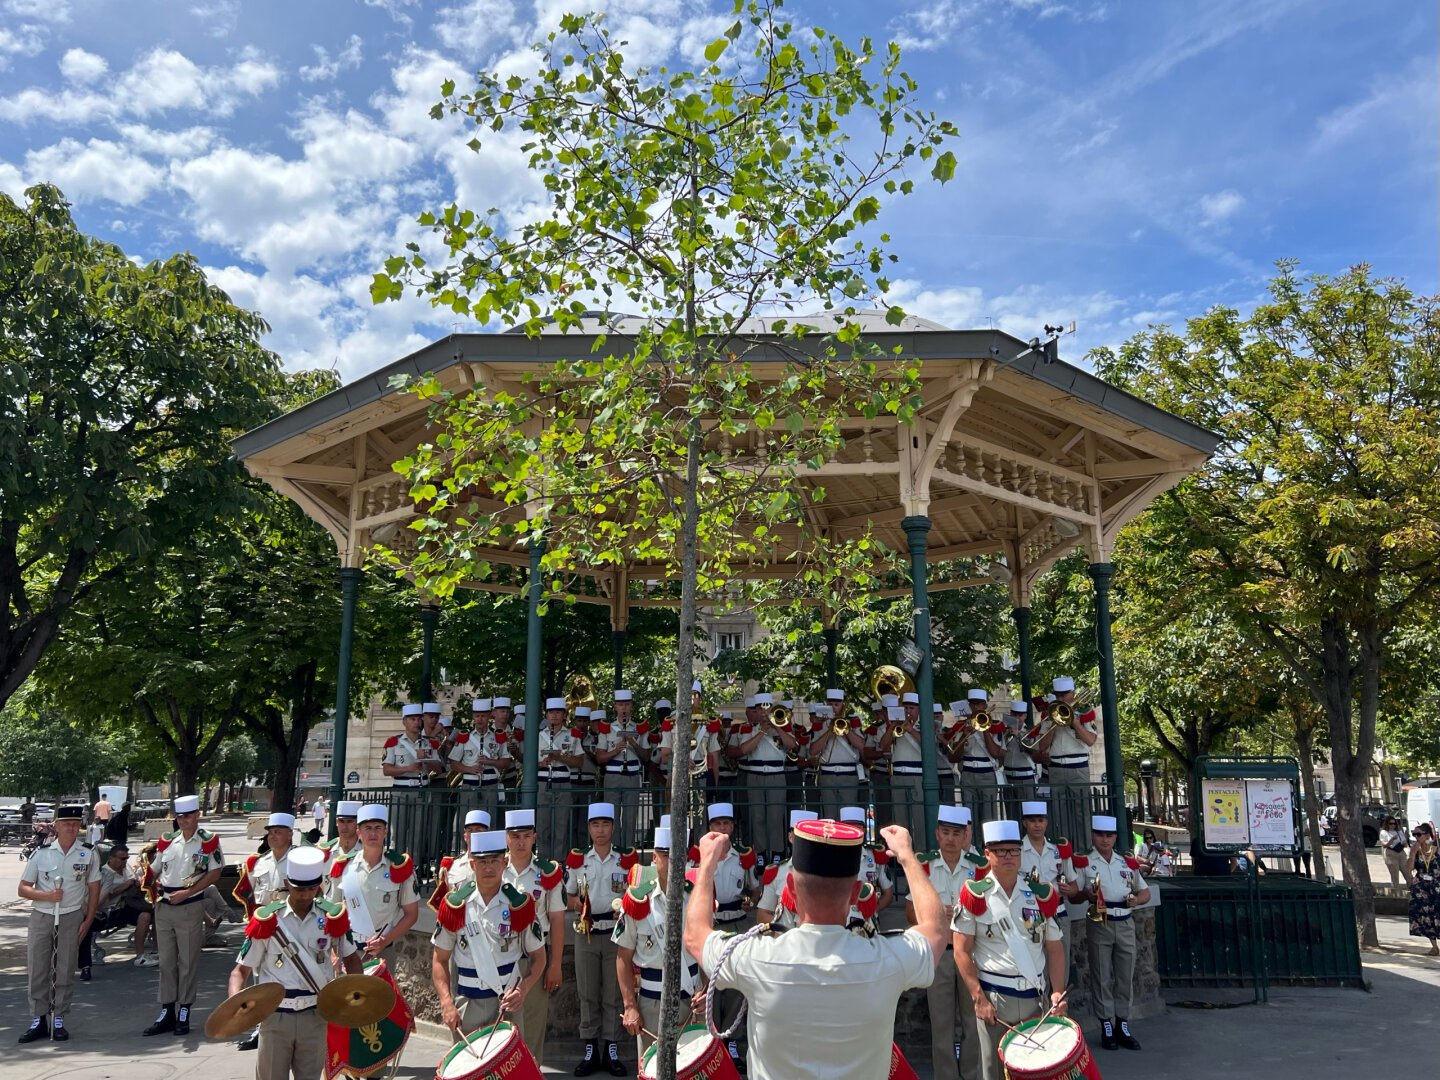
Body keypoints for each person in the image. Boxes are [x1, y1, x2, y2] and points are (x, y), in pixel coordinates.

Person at [687, 820, 946, 1080]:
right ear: (857, 893)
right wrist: (907, 857)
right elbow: (936, 929)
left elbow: (695, 935)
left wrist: (707, 864)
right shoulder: (887, 960)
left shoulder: (758, 957)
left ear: (789, 889)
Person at [227, 846, 362, 1080]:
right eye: (300, 888)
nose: (306, 894)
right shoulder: (267, 921)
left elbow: (351, 958)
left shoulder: (331, 918)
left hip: (315, 1014)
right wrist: (235, 1004)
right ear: (287, 882)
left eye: (312, 887)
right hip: (276, 1016)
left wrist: (356, 993)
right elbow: (240, 970)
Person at [952, 820, 1068, 1080]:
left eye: (1014, 850)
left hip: (1034, 998)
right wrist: (978, 998)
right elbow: (960, 951)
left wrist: (1058, 990)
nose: (1008, 857)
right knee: (993, 1070)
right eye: (1000, 851)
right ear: (987, 854)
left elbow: (1055, 947)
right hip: (995, 999)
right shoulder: (975, 895)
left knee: (1035, 1069)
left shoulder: (1039, 894)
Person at [431, 830, 547, 1037]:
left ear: (505, 863)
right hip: (468, 1003)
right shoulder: (455, 906)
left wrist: (524, 989)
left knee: (508, 1068)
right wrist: (446, 1002)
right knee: (469, 1067)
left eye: (494, 861)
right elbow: (440, 959)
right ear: (473, 864)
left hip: (508, 1005)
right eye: (482, 862)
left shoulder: (519, 906)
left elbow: (539, 957)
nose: (489, 868)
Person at [907, 804, 984, 1080]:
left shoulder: (979, 868)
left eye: (956, 833)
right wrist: (936, 912)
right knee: (941, 1023)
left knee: (972, 1021)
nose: (951, 838)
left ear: (965, 836)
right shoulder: (924, 865)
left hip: (971, 953)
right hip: (940, 953)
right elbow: (909, 910)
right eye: (946, 832)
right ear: (937, 834)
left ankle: (972, 1074)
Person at [140, 794, 224, 1037]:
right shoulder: (168, 841)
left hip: (190, 906)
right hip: (165, 906)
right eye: (180, 816)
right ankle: (167, 1010)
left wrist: (188, 892)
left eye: (188, 816)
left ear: (198, 815)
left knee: (187, 962)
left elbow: (214, 873)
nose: (184, 820)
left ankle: (184, 1009)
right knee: (166, 963)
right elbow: (155, 869)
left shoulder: (208, 842)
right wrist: (145, 877)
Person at [615, 825, 701, 1055]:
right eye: (666, 855)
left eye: (679, 856)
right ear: (654, 857)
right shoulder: (637, 900)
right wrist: (630, 1006)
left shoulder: (697, 897)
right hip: (652, 1001)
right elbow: (623, 958)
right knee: (653, 1069)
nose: (673, 861)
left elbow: (708, 952)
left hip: (693, 999)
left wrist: (707, 994)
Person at [1067, 813, 1150, 1051]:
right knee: (1101, 974)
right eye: (1100, 835)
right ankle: (1105, 1023)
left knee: (1125, 974)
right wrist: (1087, 895)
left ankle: (1122, 1022)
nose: (1105, 840)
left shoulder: (1126, 862)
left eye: (1109, 835)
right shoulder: (1084, 862)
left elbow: (1144, 891)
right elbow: (1074, 897)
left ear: (1115, 837)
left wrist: (1136, 900)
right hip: (1099, 918)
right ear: (1093, 835)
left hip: (1124, 919)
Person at [17, 805, 99, 1043]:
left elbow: (94, 887)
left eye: (75, 824)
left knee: (64, 968)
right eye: (66, 824)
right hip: (42, 914)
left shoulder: (87, 852)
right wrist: (46, 896)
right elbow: (23, 888)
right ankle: (38, 1018)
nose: (71, 828)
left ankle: (59, 1017)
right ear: (56, 826)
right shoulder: (42, 853)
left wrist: (89, 918)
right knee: (38, 968)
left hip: (71, 914)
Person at [565, 802, 634, 1076]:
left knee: (614, 995)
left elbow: (636, 893)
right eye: (596, 825)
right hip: (587, 932)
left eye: (606, 825)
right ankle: (591, 1048)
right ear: (589, 829)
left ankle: (612, 1049)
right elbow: (568, 896)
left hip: (617, 934)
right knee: (587, 992)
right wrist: (581, 905)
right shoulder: (578, 860)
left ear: (613, 828)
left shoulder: (626, 860)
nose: (601, 830)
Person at [691, 802, 758, 1070]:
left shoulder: (743, 856)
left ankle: (731, 1039)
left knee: (736, 986)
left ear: (732, 827)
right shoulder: (699, 856)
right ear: (709, 828)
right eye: (717, 825)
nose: (722, 829)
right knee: (709, 985)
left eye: (726, 824)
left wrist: (750, 902)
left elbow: (755, 889)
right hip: (711, 925)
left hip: (737, 924)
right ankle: (711, 1039)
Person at [502, 807, 566, 1065]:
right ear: (506, 837)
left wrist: (555, 965)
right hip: (500, 956)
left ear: (534, 837)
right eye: (515, 836)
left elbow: (557, 921)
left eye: (526, 836)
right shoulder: (495, 867)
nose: (520, 842)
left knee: (531, 1028)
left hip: (534, 959)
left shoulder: (547, 873)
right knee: (499, 1030)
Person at [233, 812, 298, 1051]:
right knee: (261, 977)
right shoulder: (260, 863)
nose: (272, 836)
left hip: (290, 927)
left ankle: (289, 1025)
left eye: (278, 831)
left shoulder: (300, 860)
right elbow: (254, 896)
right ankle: (261, 1028)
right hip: (264, 928)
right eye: (270, 832)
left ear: (290, 834)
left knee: (290, 976)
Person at [325, 804, 418, 959]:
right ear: (359, 832)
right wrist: (333, 950)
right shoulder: (343, 866)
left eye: (378, 828)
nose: (373, 833)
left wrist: (385, 940)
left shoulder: (399, 867)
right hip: (347, 950)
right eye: (367, 828)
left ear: (385, 832)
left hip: (383, 950)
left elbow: (412, 914)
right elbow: (332, 912)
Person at [755, 810, 819, 930]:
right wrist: (788, 931)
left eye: (809, 834)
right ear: (790, 836)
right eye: (799, 834)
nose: (804, 839)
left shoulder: (826, 874)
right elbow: (762, 915)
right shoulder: (777, 872)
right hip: (785, 942)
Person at [596, 690, 646, 847]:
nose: (623, 708)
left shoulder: (639, 728)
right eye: (620, 704)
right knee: (612, 818)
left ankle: (628, 852)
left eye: (626, 704)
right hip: (613, 776)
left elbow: (646, 757)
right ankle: (614, 851)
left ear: (631, 706)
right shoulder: (607, 728)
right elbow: (599, 758)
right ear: (615, 707)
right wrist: (616, 750)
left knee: (630, 818)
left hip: (632, 776)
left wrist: (633, 742)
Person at [808, 688, 865, 820]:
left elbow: (861, 745)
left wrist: (846, 730)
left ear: (843, 705)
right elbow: (813, 751)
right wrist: (829, 731)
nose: (833, 708)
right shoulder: (820, 725)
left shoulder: (852, 722)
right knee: (830, 817)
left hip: (848, 774)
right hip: (827, 775)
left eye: (837, 704)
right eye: (830, 704)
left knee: (849, 816)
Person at [880, 692, 926, 840]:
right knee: (900, 822)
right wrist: (893, 726)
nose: (908, 711)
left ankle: (920, 857)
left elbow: (929, 746)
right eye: (905, 708)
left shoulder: (924, 725)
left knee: (920, 820)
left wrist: (911, 730)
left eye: (911, 708)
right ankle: (902, 857)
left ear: (918, 710)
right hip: (898, 775)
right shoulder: (896, 726)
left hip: (917, 775)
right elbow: (882, 745)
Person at [429, 809, 492, 910]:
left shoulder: (498, 865)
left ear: (487, 835)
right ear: (465, 836)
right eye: (470, 830)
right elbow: (445, 905)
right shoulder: (451, 866)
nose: (474, 834)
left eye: (479, 831)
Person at [1408, 822, 1439, 956]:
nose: (1416, 837)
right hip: (1421, 888)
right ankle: (1434, 946)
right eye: (1414, 834)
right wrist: (1413, 853)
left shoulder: (1436, 849)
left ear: (1427, 835)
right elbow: (1409, 868)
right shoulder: (1415, 850)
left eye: (1418, 834)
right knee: (1425, 916)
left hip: (1436, 886)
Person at [382, 704, 430, 789]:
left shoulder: (428, 742)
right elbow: (386, 770)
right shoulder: (393, 742)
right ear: (404, 722)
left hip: (423, 788)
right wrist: (408, 768)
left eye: (419, 719)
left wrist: (427, 758)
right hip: (402, 788)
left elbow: (438, 770)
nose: (416, 722)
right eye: (412, 719)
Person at [1381, 817, 1412, 886]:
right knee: (1394, 873)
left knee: (1406, 870)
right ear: (1387, 824)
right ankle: (1396, 889)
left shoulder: (1399, 832)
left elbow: (1405, 843)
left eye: (1394, 823)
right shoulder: (1384, 832)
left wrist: (1405, 844)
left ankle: (1411, 886)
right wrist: (1391, 840)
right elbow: (1384, 845)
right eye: (1391, 824)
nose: (1393, 825)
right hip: (1391, 852)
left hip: (1401, 852)